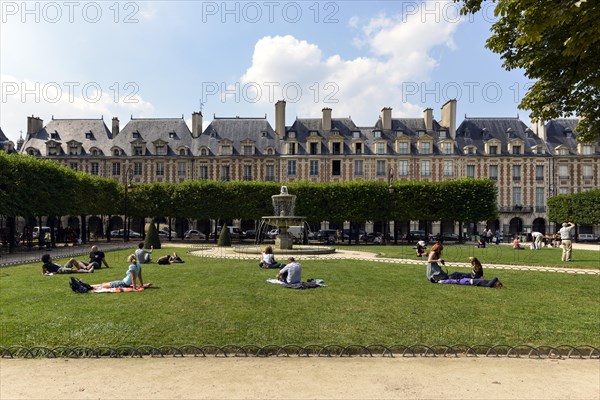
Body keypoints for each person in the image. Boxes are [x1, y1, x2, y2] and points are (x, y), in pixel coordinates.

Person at [438, 276, 504, 288]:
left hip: (469, 281)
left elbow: (495, 278)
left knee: (455, 281)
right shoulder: (489, 284)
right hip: (469, 281)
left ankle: (441, 281)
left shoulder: (489, 284)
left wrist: (497, 281)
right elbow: (495, 278)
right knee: (455, 280)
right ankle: (441, 280)